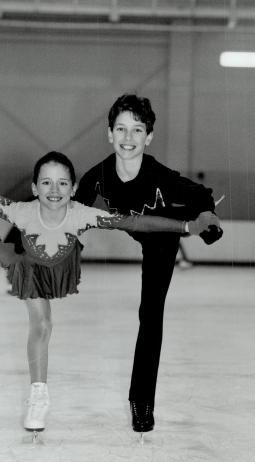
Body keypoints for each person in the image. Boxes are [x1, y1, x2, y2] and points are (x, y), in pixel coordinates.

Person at [0, 151, 216, 434]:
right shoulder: (22, 211)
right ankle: (38, 395)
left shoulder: (82, 214)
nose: (54, 191)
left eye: (62, 184)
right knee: (42, 325)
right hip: (30, 267)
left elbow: (133, 222)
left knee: (47, 323)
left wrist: (186, 226)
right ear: (34, 188)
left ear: (74, 188)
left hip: (63, 262)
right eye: (45, 183)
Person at [74, 94, 223, 434]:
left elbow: (201, 193)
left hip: (165, 234)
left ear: (148, 137)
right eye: (121, 130)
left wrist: (208, 218)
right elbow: (74, 216)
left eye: (137, 130)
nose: (128, 138)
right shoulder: (96, 177)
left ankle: (141, 400)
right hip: (137, 226)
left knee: (150, 313)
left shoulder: (162, 176)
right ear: (109, 133)